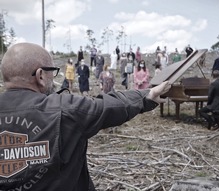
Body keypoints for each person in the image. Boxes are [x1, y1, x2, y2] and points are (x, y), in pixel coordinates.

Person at [0, 42, 171, 191]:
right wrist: (147, 96)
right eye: (53, 71)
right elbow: (108, 106)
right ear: (40, 76)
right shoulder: (64, 108)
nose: (54, 77)